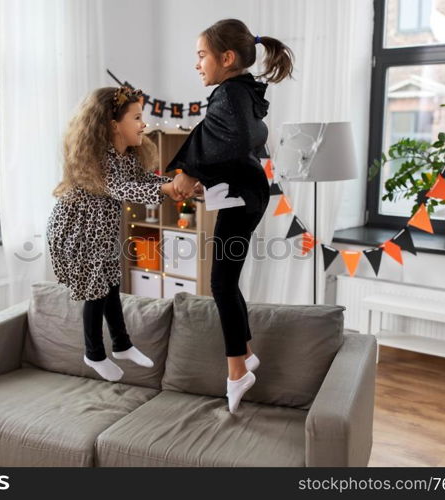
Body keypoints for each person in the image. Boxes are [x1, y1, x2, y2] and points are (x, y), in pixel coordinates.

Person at [165, 18, 295, 413]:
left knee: (220, 283)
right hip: (245, 194)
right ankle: (245, 357)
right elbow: (233, 140)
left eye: (201, 55)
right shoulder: (238, 93)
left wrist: (190, 171)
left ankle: (237, 369)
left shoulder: (230, 94)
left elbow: (230, 138)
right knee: (225, 281)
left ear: (227, 57)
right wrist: (205, 176)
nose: (197, 64)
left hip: (243, 198)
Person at [47, 86, 195, 382]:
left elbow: (142, 181)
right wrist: (167, 188)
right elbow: (124, 189)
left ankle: (122, 343)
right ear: (114, 125)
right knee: (96, 291)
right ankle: (94, 353)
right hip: (76, 232)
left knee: (112, 282)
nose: (144, 124)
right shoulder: (100, 159)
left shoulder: (126, 156)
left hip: (100, 232)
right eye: (137, 118)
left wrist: (178, 185)